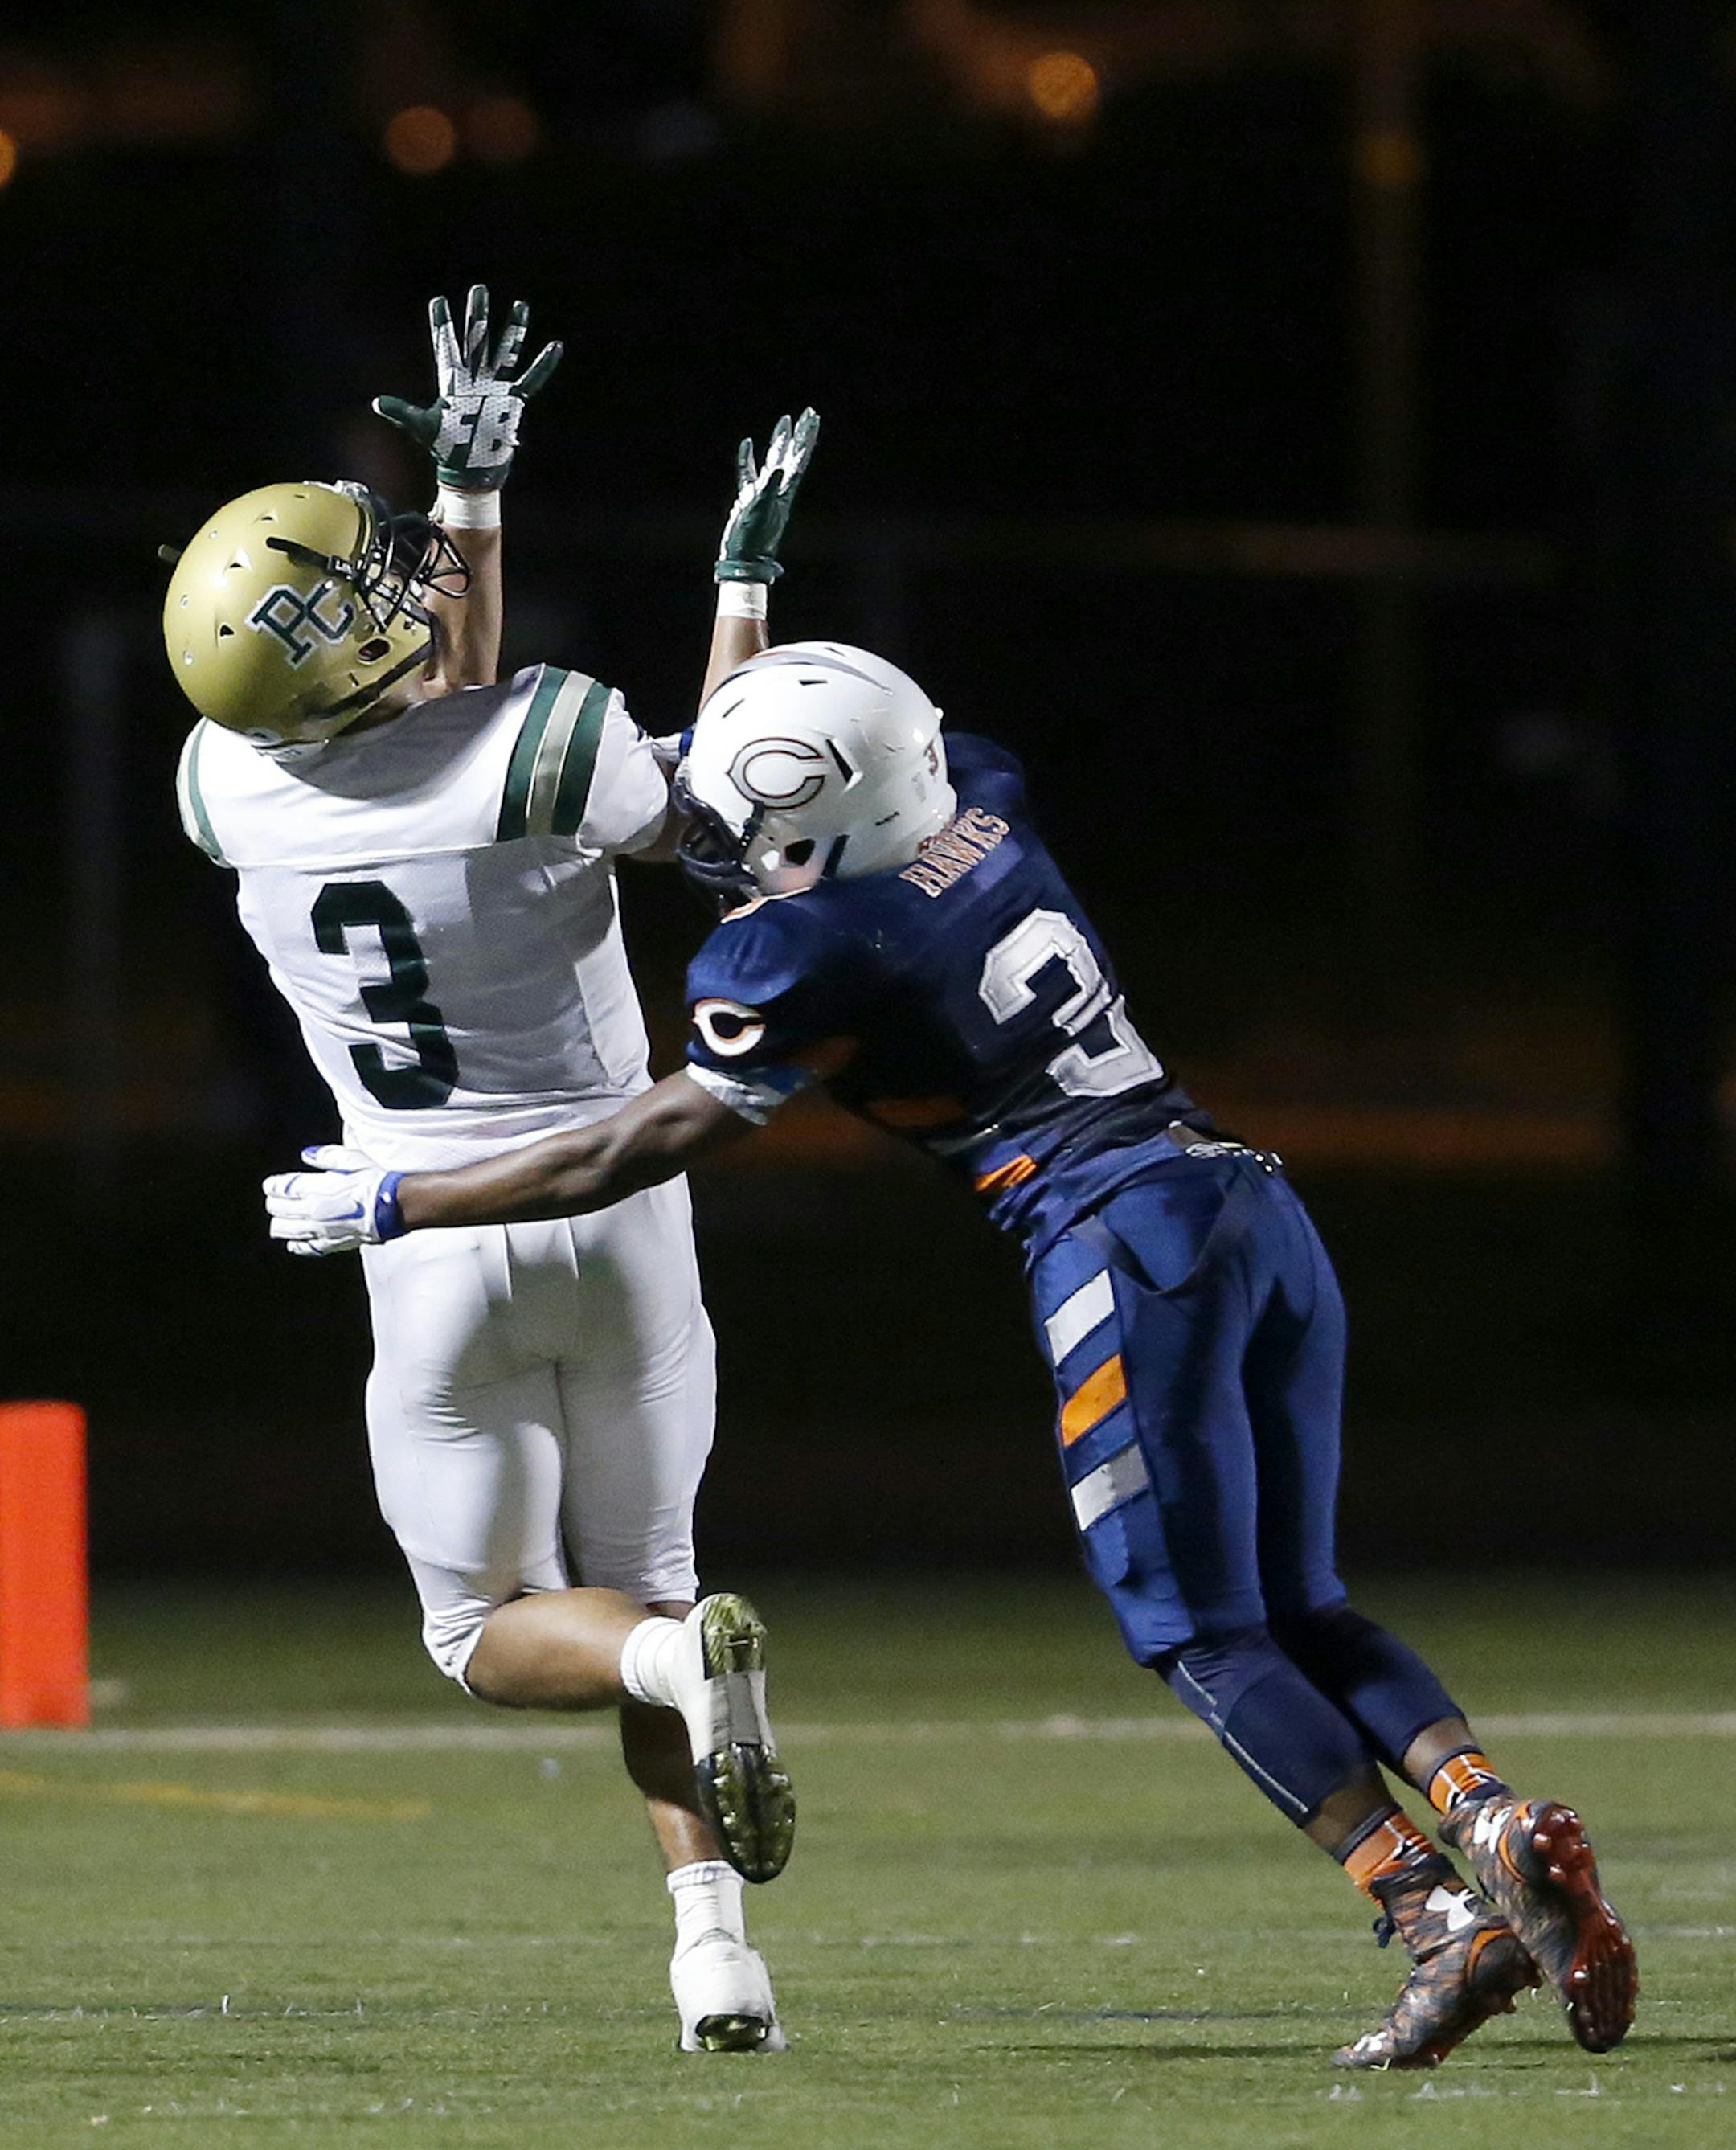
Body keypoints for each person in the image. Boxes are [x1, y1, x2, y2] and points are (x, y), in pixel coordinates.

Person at [265, 639, 1640, 2072]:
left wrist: (400, 1199)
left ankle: (1430, 1913)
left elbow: (633, 1140)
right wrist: (749, 618)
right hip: (1247, 1195)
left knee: (1198, 1628)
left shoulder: (805, 953)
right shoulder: (977, 797)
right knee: (1305, 1597)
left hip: (1116, 1242)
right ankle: (1485, 1812)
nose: (730, 854)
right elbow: (817, 789)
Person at [166, 286, 817, 2054]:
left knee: (506, 1633)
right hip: (617, 1213)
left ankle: (714, 1951)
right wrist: (737, 592)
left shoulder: (224, 788)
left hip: (422, 1239)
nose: (405, 590)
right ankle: (713, 1947)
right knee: (658, 1589)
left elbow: (412, 713)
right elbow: (734, 827)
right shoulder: (552, 738)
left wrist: (470, 506)